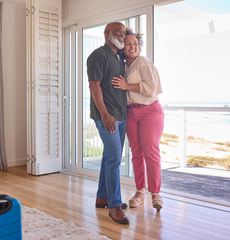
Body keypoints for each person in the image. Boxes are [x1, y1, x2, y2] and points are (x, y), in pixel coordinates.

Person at [111, 28, 164, 212]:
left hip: (149, 111)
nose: (132, 47)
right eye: (128, 44)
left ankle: (155, 193)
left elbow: (151, 88)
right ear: (122, 47)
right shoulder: (121, 64)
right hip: (130, 113)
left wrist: (127, 86)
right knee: (136, 153)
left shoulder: (143, 62)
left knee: (151, 152)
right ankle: (140, 192)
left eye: (135, 43)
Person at [87, 22, 129, 225]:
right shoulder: (98, 55)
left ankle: (102, 197)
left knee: (109, 157)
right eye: (117, 32)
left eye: (123, 32)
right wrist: (104, 114)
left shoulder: (120, 58)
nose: (121, 35)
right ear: (106, 34)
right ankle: (114, 206)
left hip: (121, 116)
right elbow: (94, 85)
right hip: (107, 117)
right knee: (114, 160)